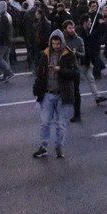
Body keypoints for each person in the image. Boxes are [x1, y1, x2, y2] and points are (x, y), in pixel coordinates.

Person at [32, 30, 78, 158]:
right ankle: (43, 146)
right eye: (54, 44)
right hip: (47, 93)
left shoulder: (69, 55)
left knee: (60, 124)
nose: (56, 46)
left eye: (58, 44)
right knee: (45, 122)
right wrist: (36, 90)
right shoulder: (44, 55)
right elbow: (39, 74)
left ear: (62, 42)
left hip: (63, 95)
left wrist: (61, 70)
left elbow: (75, 74)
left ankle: (59, 146)